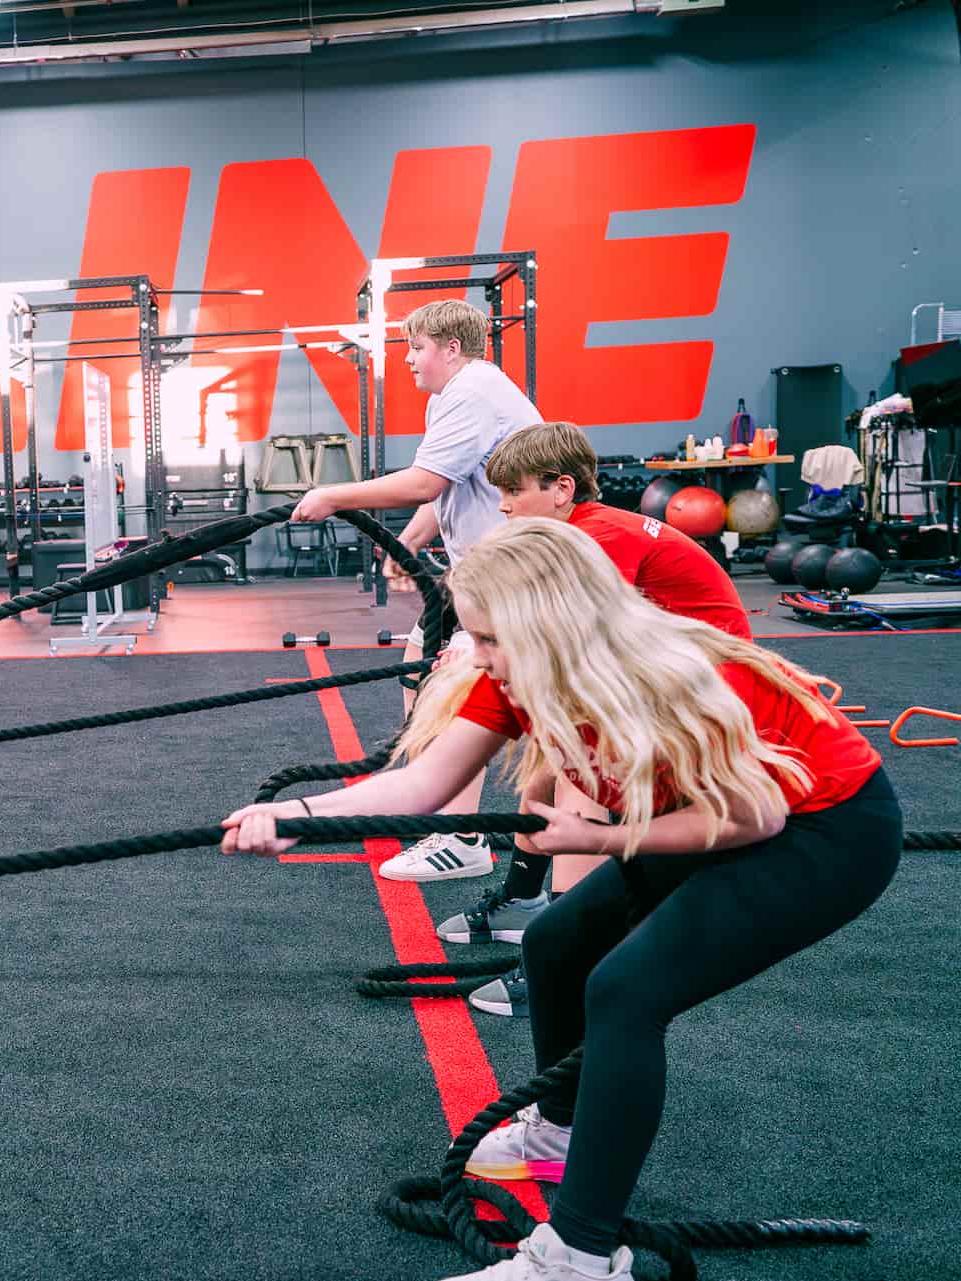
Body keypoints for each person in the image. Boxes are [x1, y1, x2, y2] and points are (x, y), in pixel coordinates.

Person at [222, 519, 897, 1281]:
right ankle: (560, 1131)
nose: (475, 653)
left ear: (547, 624)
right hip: (713, 817)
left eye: (488, 636)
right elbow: (421, 784)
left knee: (626, 990)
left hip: (821, 830)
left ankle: (576, 1257)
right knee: (555, 942)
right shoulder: (516, 669)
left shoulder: (669, 671)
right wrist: (297, 818)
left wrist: (598, 836)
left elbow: (752, 817)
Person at [443, 421, 753, 1018]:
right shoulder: (582, 533)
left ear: (561, 489)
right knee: (548, 755)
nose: (504, 505)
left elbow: (572, 643)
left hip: (710, 688)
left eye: (514, 490)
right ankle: (522, 899)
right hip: (677, 673)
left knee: (574, 763)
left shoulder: (597, 537)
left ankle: (570, 952)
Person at [290, 298, 540, 883]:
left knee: (450, 686)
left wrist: (332, 495)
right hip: (484, 573)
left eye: (417, 348)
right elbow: (445, 490)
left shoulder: (472, 393)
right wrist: (404, 544)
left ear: (450, 349)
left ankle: (459, 834)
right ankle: (438, 809)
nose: (409, 361)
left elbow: (425, 481)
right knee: (420, 668)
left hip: (513, 575)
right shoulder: (459, 396)